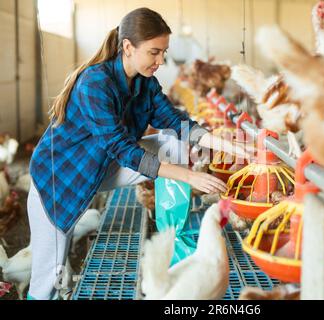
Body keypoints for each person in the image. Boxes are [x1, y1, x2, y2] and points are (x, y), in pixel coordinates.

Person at [27, 7, 248, 300]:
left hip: (101, 166)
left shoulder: (145, 83)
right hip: (59, 181)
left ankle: (174, 232)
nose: (160, 61)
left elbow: (176, 121)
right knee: (50, 278)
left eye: (164, 53)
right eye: (154, 52)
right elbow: (121, 148)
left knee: (173, 142)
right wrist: (188, 175)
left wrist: (230, 144)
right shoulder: (95, 83)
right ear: (128, 47)